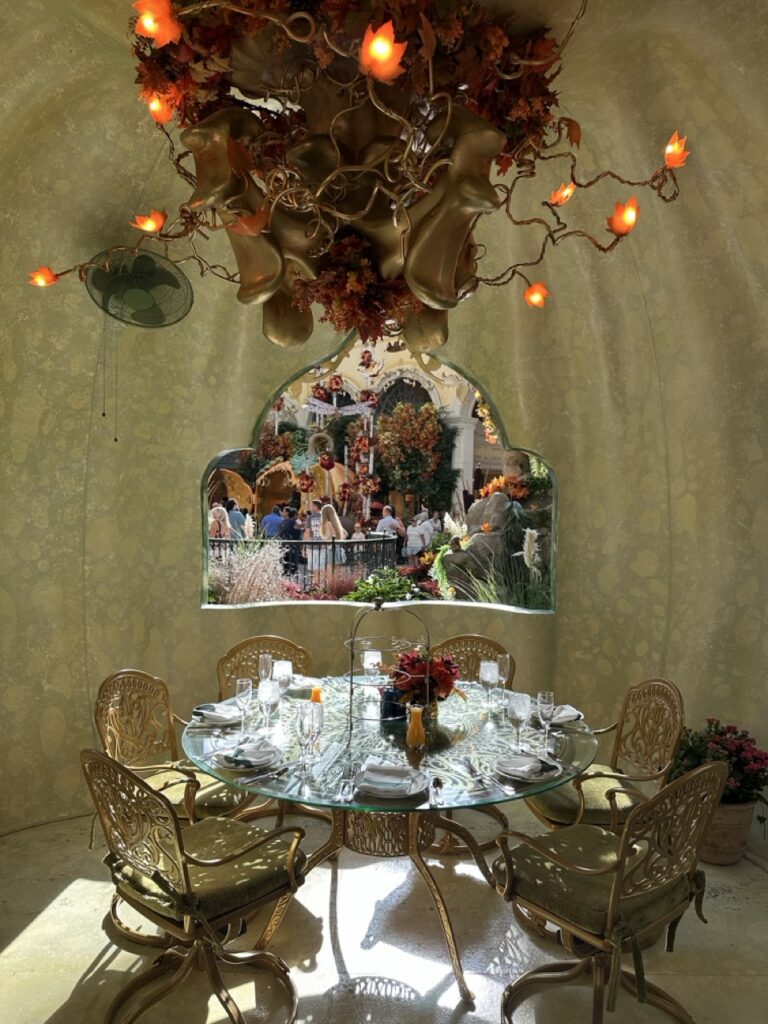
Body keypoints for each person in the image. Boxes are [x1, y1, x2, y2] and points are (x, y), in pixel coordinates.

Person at [304, 502, 348, 584]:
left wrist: (326, 543)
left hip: (330, 551)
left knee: (330, 576)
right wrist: (337, 540)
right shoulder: (336, 523)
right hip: (338, 549)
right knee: (337, 575)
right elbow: (345, 534)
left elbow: (328, 538)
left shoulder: (327, 524)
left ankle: (329, 591)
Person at [278, 506, 302, 575]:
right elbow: (301, 528)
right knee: (293, 558)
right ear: (295, 515)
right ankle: (293, 572)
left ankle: (286, 571)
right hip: (294, 541)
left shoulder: (287, 521)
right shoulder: (296, 520)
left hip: (287, 541)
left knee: (287, 557)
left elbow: (282, 531)